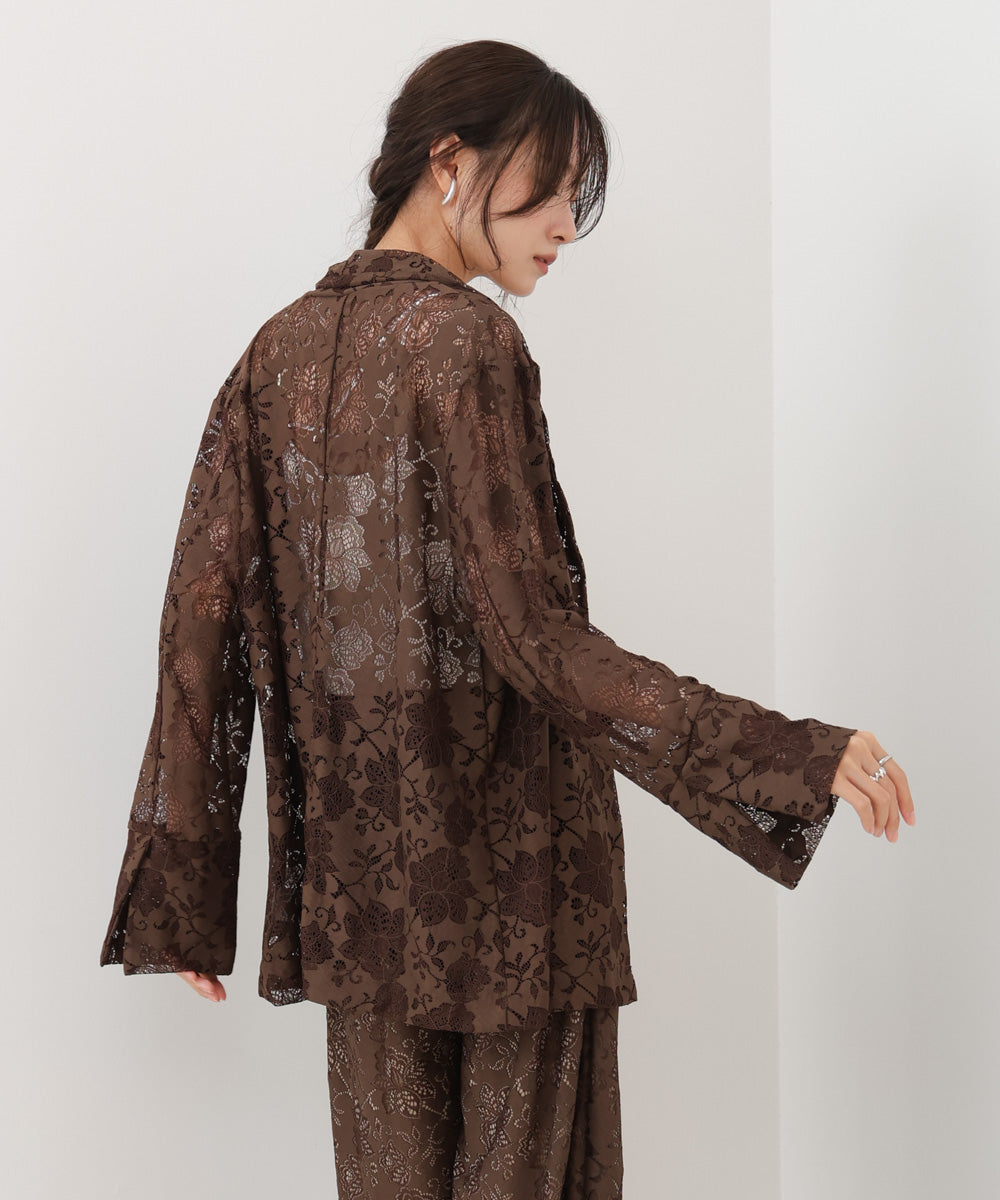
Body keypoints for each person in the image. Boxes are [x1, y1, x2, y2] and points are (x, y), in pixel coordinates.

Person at [100, 38, 915, 1200]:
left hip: (362, 900)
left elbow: (200, 628)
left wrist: (184, 891)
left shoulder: (269, 358)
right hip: (517, 894)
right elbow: (535, 641)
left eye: (581, 197)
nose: (567, 227)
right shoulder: (466, 343)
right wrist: (788, 754)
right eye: (549, 186)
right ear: (449, 162)